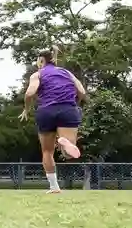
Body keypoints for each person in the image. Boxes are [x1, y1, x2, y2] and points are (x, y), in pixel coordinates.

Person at [19, 45, 87, 194]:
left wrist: (26, 109)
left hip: (46, 111)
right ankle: (65, 143)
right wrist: (76, 103)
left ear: (41, 60)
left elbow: (29, 93)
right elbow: (81, 91)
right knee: (68, 154)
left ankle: (54, 187)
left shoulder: (38, 74)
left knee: (47, 151)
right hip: (68, 110)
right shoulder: (66, 73)